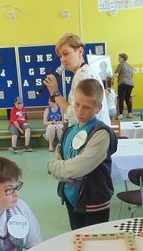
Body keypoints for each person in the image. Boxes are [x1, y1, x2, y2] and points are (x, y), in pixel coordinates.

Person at [47, 78, 117, 230]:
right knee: (77, 238)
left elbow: (78, 167)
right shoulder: (69, 131)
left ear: (99, 108)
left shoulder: (101, 133)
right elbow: (61, 155)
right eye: (77, 104)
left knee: (95, 241)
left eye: (87, 107)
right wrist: (64, 169)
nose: (79, 111)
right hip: (71, 198)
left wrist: (52, 167)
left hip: (94, 202)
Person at [43, 33, 110, 127]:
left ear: (80, 51)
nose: (63, 60)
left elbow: (76, 116)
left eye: (66, 53)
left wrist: (55, 93)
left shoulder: (83, 75)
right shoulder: (84, 72)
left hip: (91, 133)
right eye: (60, 56)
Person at [114, 53, 135, 119]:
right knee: (127, 98)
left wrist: (111, 77)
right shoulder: (130, 66)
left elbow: (117, 75)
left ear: (123, 58)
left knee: (121, 99)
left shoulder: (121, 65)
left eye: (119, 58)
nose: (118, 59)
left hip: (123, 83)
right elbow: (131, 76)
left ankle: (120, 115)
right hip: (131, 84)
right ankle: (130, 113)